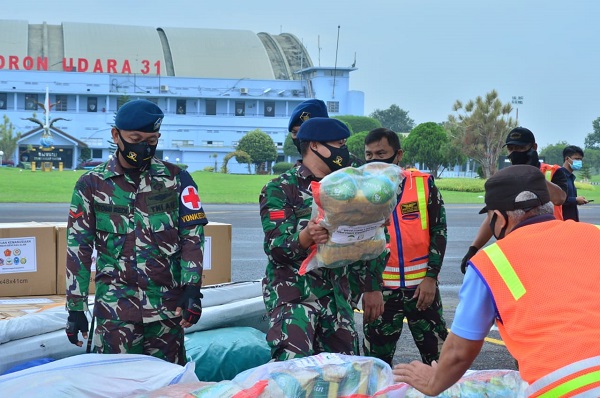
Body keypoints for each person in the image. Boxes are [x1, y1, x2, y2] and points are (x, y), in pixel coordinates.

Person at [393, 165, 600, 397]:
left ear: (499, 219)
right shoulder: (595, 233)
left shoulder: (490, 262)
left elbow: (460, 351)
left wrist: (433, 383)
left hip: (564, 386)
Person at [65, 99, 208, 365]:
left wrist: (192, 290)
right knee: (114, 388)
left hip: (166, 313)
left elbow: (192, 238)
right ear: (116, 135)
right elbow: (79, 247)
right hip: (115, 314)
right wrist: (76, 307)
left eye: (152, 139)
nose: (144, 146)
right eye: (135, 138)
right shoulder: (92, 184)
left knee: (169, 389)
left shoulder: (177, 179)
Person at [259, 117, 386, 361]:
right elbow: (276, 249)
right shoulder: (282, 188)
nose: (344, 149)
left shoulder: (348, 188)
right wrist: (306, 236)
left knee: (345, 376)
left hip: (338, 299)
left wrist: (374, 226)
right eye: (338, 143)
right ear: (315, 145)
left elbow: (363, 248)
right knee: (294, 375)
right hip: (295, 299)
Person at [362, 128, 448, 367]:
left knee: (440, 362)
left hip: (422, 291)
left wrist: (431, 278)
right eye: (369, 155)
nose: (374, 160)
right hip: (381, 293)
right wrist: (370, 287)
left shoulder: (423, 185)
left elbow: (439, 232)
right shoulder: (360, 191)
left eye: (381, 153)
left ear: (397, 155)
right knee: (374, 367)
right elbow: (356, 245)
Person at [460, 126, 567, 273]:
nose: (515, 152)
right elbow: (494, 215)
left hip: (549, 244)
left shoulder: (553, 172)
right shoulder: (507, 177)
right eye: (511, 148)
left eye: (520, 148)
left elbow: (560, 199)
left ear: (534, 147)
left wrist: (533, 172)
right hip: (517, 246)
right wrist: (474, 248)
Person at [561, 145, 589, 221]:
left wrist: (577, 200)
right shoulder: (560, 176)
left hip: (572, 220)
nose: (579, 162)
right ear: (567, 159)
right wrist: (575, 200)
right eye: (576, 159)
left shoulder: (570, 177)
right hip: (563, 220)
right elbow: (558, 199)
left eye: (580, 159)